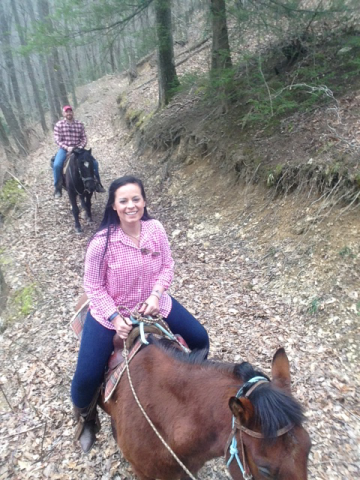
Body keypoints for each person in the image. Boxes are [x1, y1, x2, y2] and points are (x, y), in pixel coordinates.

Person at [71, 175, 209, 453]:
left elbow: (167, 266)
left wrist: (157, 295)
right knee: (85, 379)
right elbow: (93, 287)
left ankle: (188, 391)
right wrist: (114, 318)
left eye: (136, 199)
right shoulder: (101, 243)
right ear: (113, 205)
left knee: (201, 339)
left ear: (144, 201)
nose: (131, 205)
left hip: (154, 304)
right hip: (112, 312)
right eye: (124, 200)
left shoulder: (155, 229)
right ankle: (86, 419)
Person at [53, 105, 106, 198]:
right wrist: (67, 147)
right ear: (63, 113)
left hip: (79, 149)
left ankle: (97, 183)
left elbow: (84, 137)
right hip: (65, 149)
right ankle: (58, 187)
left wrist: (81, 146)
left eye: (70, 111)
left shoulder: (79, 124)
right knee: (57, 165)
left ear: (72, 112)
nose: (69, 113)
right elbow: (57, 140)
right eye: (66, 111)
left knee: (94, 163)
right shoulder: (59, 125)